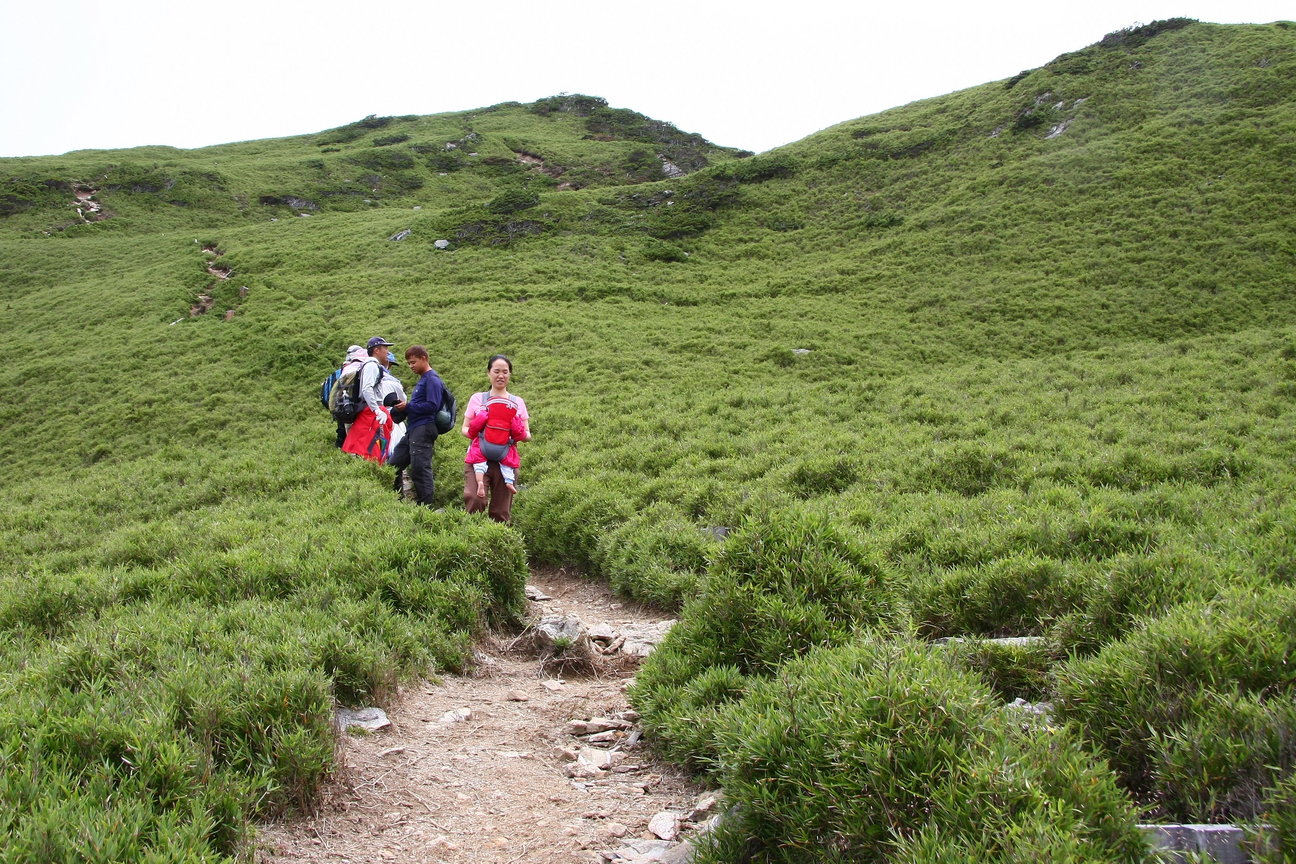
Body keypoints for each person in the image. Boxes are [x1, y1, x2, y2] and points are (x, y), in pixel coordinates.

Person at [461, 354, 530, 522]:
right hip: (478, 456)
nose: (501, 375)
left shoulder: (517, 402)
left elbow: (527, 434)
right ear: (489, 373)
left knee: (501, 511)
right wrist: (476, 430)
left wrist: (516, 432)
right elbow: (465, 428)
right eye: (496, 371)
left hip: (505, 458)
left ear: (510, 375)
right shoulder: (478, 399)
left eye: (505, 372)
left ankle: (495, 542)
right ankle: (471, 536)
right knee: (474, 498)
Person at [395, 345, 447, 507]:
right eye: (408, 363)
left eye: (413, 362)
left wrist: (408, 407)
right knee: (394, 464)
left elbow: (432, 406)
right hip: (414, 429)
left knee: (420, 469)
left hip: (423, 428)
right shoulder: (423, 379)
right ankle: (395, 500)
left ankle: (426, 509)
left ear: (424, 358)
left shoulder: (432, 380)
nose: (411, 366)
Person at [342, 337, 394, 463]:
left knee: (369, 449)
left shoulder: (368, 365)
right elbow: (367, 389)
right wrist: (376, 410)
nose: (387, 352)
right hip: (371, 415)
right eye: (385, 348)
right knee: (373, 451)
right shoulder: (371, 365)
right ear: (376, 350)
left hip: (368, 412)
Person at [331, 344, 366, 447]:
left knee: (343, 427)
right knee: (351, 428)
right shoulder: (355, 368)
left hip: (340, 403)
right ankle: (351, 449)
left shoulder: (344, 367)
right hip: (352, 403)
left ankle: (342, 446)